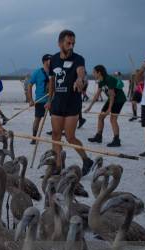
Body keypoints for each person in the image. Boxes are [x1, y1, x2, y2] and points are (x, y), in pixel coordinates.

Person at [45, 29, 93, 174]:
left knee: (70, 137)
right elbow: (52, 81)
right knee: (55, 135)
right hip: (57, 102)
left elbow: (81, 72)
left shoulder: (78, 58)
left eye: (73, 43)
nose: (71, 46)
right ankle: (58, 166)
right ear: (60, 43)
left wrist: (80, 79)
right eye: (68, 43)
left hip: (72, 103)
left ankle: (86, 160)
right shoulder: (53, 59)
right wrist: (49, 99)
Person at [85, 64, 127, 147]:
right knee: (101, 116)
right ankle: (98, 136)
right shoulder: (101, 81)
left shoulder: (109, 79)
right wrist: (89, 107)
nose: (93, 74)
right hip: (111, 99)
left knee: (113, 119)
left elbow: (112, 95)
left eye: (94, 72)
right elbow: (97, 95)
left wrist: (109, 109)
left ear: (99, 72)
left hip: (119, 99)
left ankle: (116, 140)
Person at [27, 54, 52, 145]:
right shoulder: (37, 72)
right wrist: (30, 99)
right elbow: (30, 85)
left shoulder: (54, 72)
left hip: (52, 100)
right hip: (40, 100)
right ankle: (34, 137)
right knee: (37, 119)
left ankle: (56, 137)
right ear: (45, 61)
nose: (52, 61)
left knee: (55, 118)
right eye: (50, 60)